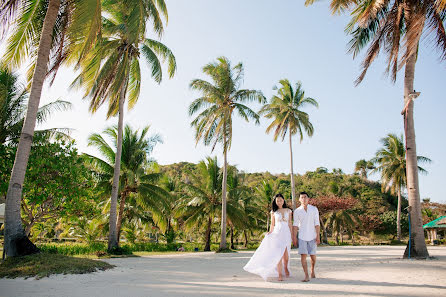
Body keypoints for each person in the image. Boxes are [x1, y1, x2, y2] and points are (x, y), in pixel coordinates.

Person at [243, 193, 293, 281]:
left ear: (283, 200)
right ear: (275, 201)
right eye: (277, 200)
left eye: (281, 200)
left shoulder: (288, 211)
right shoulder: (273, 212)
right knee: (278, 255)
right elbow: (273, 224)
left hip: (286, 234)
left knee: (286, 255)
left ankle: (286, 268)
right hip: (277, 234)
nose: (279, 202)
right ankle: (280, 274)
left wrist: (292, 235)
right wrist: (270, 232)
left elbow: (290, 223)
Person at [293, 191, 320, 282]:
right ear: (299, 199)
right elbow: (295, 225)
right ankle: (306, 275)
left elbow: (317, 223)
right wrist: (294, 238)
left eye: (305, 197)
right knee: (303, 256)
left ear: (308, 199)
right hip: (302, 236)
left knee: (313, 256)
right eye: (302, 197)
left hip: (312, 236)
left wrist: (318, 236)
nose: (304, 199)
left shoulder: (314, 209)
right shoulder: (297, 211)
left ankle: (312, 269)